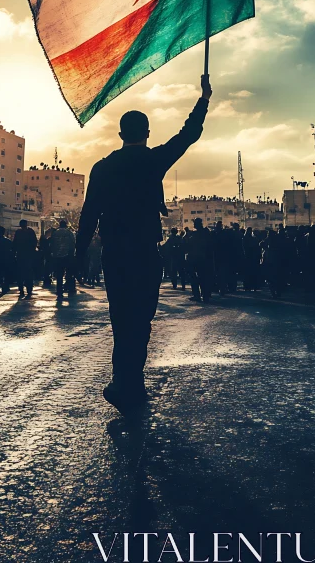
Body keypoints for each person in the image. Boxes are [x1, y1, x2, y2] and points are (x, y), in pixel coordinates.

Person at [76, 75, 212, 414]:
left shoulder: (102, 168)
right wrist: (203, 98)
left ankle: (126, 383)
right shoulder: (153, 161)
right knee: (141, 320)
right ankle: (129, 383)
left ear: (121, 135)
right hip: (145, 254)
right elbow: (188, 135)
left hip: (115, 255)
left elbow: (89, 213)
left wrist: (80, 256)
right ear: (147, 133)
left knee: (122, 320)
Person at [187, 218, 213, 302]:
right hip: (202, 259)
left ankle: (198, 295)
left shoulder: (196, 234)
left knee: (196, 278)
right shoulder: (205, 233)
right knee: (203, 278)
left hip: (198, 259)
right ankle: (204, 295)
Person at [50, 220, 76, 299]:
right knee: (69, 273)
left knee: (59, 275)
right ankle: (69, 287)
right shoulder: (69, 233)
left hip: (57, 257)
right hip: (68, 256)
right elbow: (73, 243)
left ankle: (59, 290)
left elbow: (52, 244)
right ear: (66, 225)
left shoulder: (55, 233)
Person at [13, 219, 37, 298]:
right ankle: (29, 289)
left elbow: (15, 244)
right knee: (28, 273)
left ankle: (21, 290)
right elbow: (34, 242)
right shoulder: (30, 232)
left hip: (20, 256)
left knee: (20, 273)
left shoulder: (18, 233)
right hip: (29, 256)